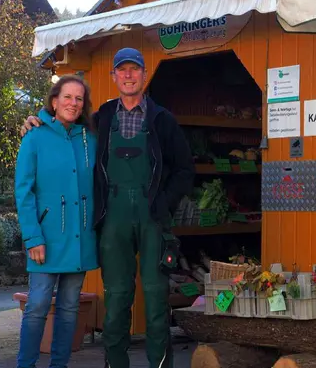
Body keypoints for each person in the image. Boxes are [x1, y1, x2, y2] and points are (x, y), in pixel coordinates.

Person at [21, 48, 194, 368]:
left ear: (144, 75)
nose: (129, 75)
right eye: (122, 70)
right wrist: (36, 121)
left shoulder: (162, 120)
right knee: (116, 299)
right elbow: (64, 129)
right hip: (112, 219)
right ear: (114, 77)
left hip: (152, 219)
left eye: (135, 69)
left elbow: (185, 169)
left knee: (157, 300)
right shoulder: (100, 120)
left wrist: (163, 203)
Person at [15, 75, 98, 368]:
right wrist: (32, 237)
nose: (73, 103)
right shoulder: (34, 136)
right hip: (45, 239)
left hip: (79, 237)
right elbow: (23, 191)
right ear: (54, 101)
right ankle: (26, 364)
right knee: (37, 306)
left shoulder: (90, 138)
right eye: (67, 97)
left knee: (69, 308)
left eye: (78, 99)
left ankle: (59, 365)